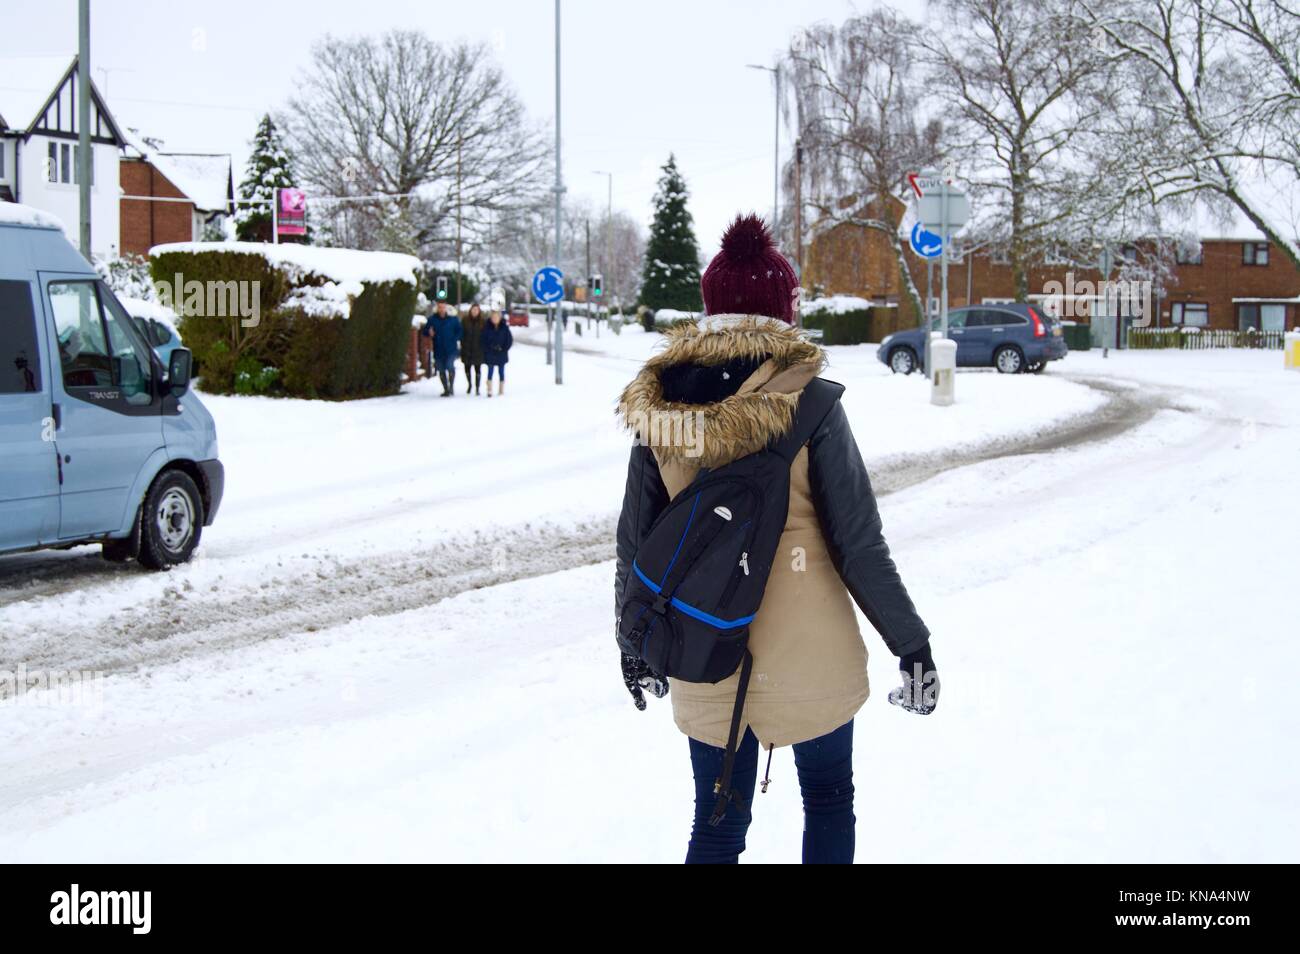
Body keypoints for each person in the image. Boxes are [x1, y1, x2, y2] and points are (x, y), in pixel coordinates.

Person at [614, 214, 939, 864]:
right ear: (782, 310)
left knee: (715, 826)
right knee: (827, 800)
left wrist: (633, 645)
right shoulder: (810, 403)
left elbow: (636, 543)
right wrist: (911, 641)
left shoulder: (660, 406)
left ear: (710, 308)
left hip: (703, 647)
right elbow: (857, 541)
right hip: (812, 649)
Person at [426, 301, 462, 397]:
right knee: (441, 369)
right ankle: (446, 389)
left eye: (443, 307)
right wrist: (429, 333)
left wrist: (454, 339)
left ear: (446, 308)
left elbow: (459, 331)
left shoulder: (453, 319)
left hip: (451, 349)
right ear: (437, 308)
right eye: (439, 307)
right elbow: (425, 331)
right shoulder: (432, 319)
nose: (441, 309)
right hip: (438, 348)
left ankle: (451, 387)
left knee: (450, 366)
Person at [481, 309, 512, 397]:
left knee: (501, 371)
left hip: (501, 353)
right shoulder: (487, 328)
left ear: (499, 318)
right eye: (493, 317)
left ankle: (501, 389)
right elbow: (483, 340)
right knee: (490, 371)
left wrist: (504, 348)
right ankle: (489, 389)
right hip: (491, 353)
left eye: (496, 317)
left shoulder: (504, 328)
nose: (495, 319)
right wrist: (488, 348)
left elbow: (509, 340)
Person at [461, 303, 487, 395]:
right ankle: (469, 385)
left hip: (478, 349)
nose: (475, 311)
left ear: (479, 311)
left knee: (478, 370)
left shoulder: (483, 322)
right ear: (470, 310)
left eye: (477, 310)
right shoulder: (465, 320)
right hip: (467, 348)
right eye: (473, 309)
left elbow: (485, 335)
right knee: (467, 369)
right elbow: (461, 333)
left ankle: (477, 387)